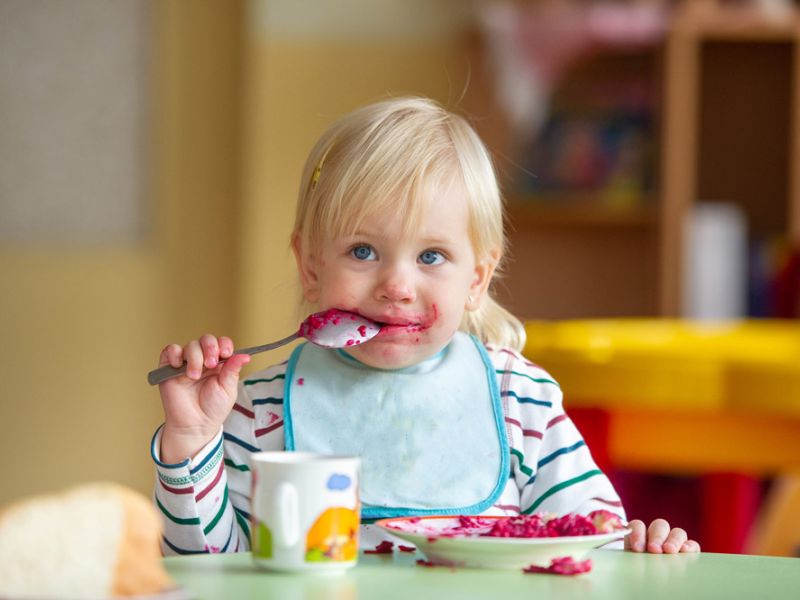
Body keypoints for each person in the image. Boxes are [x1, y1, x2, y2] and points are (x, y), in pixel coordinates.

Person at [151, 96, 699, 556]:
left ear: (477, 280)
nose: (398, 285)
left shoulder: (518, 400)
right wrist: (193, 441)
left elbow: (590, 542)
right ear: (311, 268)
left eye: (432, 256)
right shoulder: (259, 412)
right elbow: (209, 571)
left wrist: (637, 551)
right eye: (363, 251)